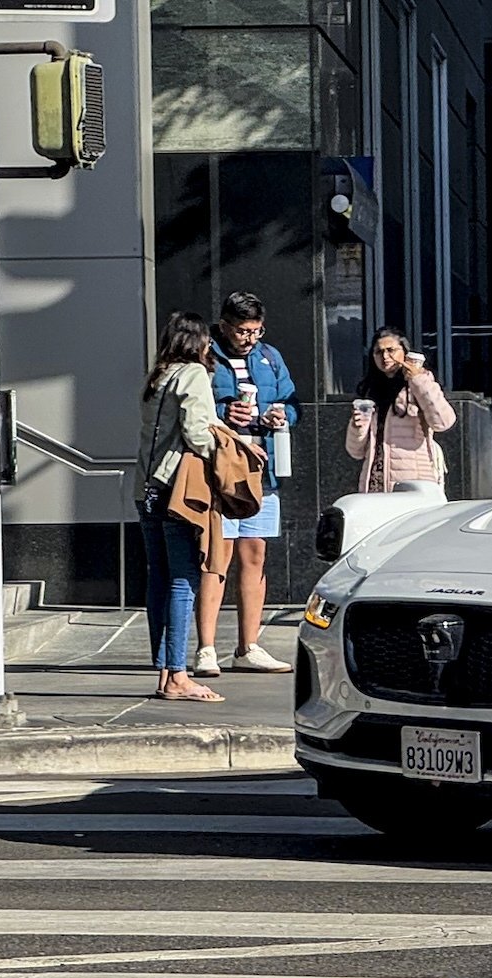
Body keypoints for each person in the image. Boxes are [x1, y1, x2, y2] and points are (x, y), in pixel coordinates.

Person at [195, 291, 299, 677]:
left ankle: (248, 646)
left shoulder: (270, 357)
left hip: (262, 471)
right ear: (224, 325)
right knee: (215, 558)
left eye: (256, 331)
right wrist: (225, 411)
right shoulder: (205, 354)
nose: (249, 338)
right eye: (242, 331)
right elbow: (192, 405)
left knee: (255, 556)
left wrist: (281, 414)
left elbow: (293, 401)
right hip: (222, 471)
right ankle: (206, 648)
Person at [136, 312, 225, 703]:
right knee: (184, 579)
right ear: (198, 342)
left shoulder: (157, 376)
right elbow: (196, 432)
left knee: (159, 579)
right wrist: (230, 449)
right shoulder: (192, 374)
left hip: (146, 488)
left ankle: (164, 673)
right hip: (178, 492)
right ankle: (177, 674)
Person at [346, 327, 455, 494]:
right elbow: (355, 452)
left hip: (413, 481)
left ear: (404, 352)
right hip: (376, 485)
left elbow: (444, 422)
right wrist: (357, 427)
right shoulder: (371, 392)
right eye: (378, 352)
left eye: (391, 350)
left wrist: (418, 379)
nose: (385, 357)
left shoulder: (420, 382)